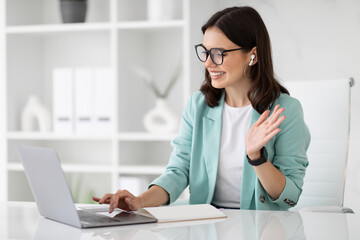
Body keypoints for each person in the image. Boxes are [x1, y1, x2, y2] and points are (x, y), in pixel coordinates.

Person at [93, 6, 310, 212]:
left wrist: (256, 157)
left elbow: (289, 196)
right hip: (205, 224)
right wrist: (139, 201)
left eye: (219, 53)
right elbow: (179, 171)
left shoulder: (285, 110)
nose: (208, 63)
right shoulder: (198, 106)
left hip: (258, 227)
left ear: (252, 55)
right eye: (205, 52)